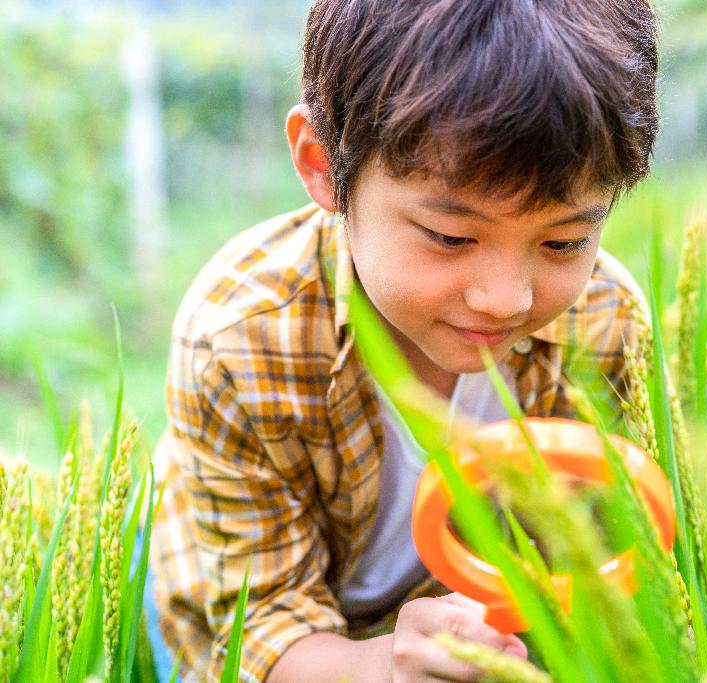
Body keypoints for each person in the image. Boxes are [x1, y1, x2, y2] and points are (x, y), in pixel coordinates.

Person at [144, 0, 659, 680]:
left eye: (564, 241)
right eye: (451, 236)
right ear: (324, 165)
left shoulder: (605, 321)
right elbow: (262, 628)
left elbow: (599, 565)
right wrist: (384, 664)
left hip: (447, 610)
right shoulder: (240, 339)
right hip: (238, 603)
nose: (507, 298)